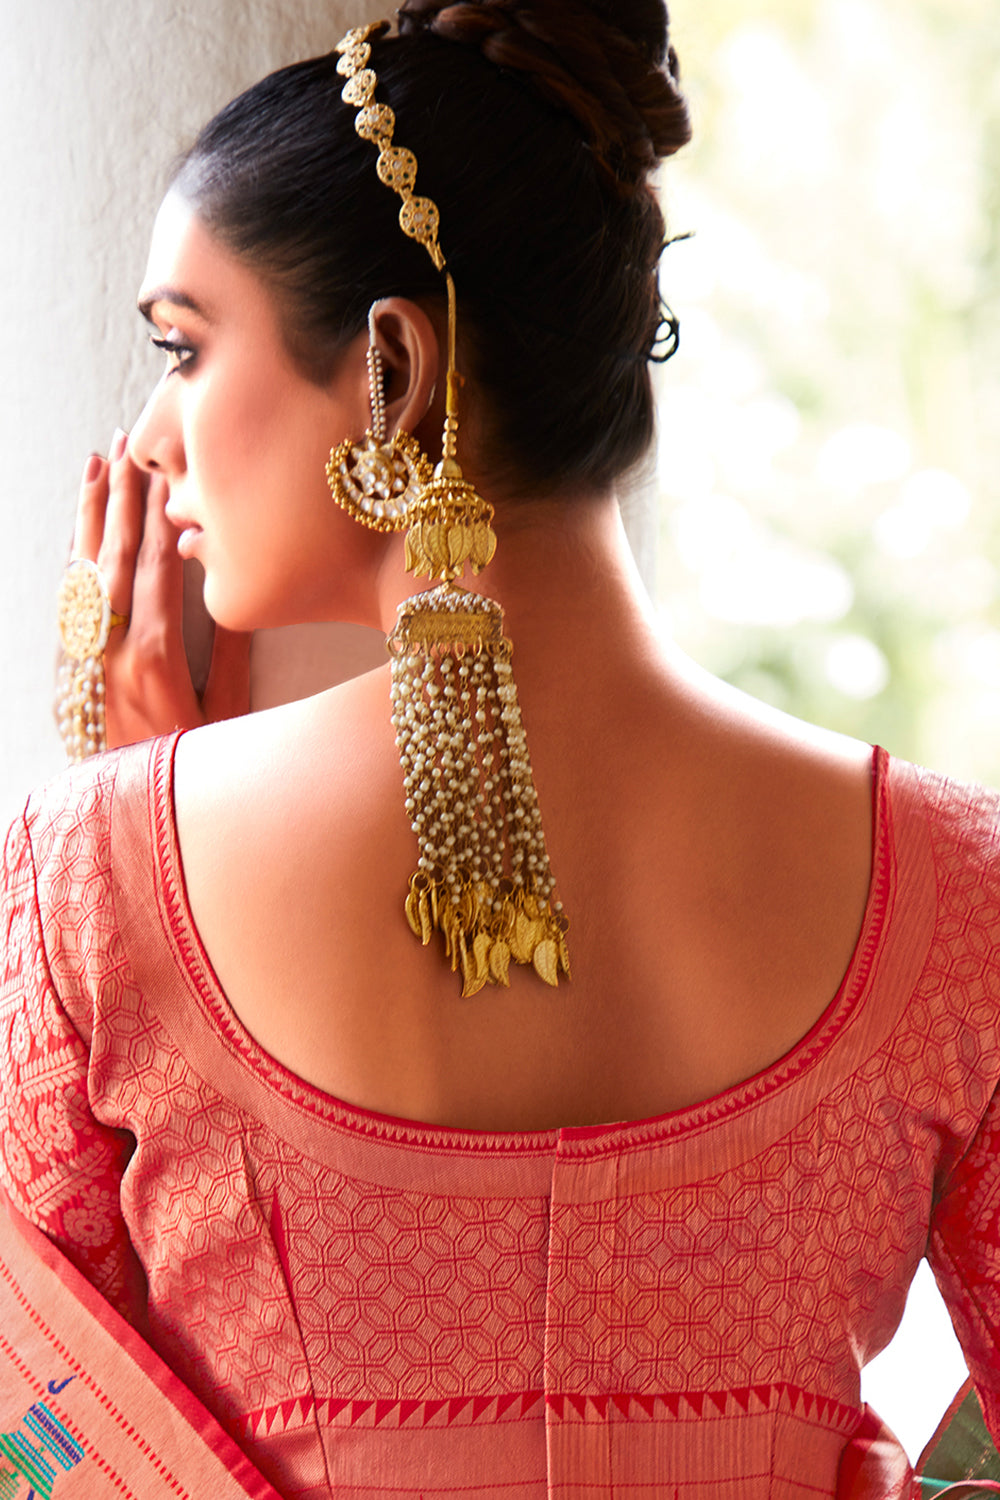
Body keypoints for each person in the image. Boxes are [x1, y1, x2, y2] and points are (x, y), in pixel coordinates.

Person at [2, 2, 999, 1496]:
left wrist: (132, 834)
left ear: (389, 368)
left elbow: (45, 1437)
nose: (150, 435)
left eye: (186, 348)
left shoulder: (91, 878)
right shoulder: (959, 888)